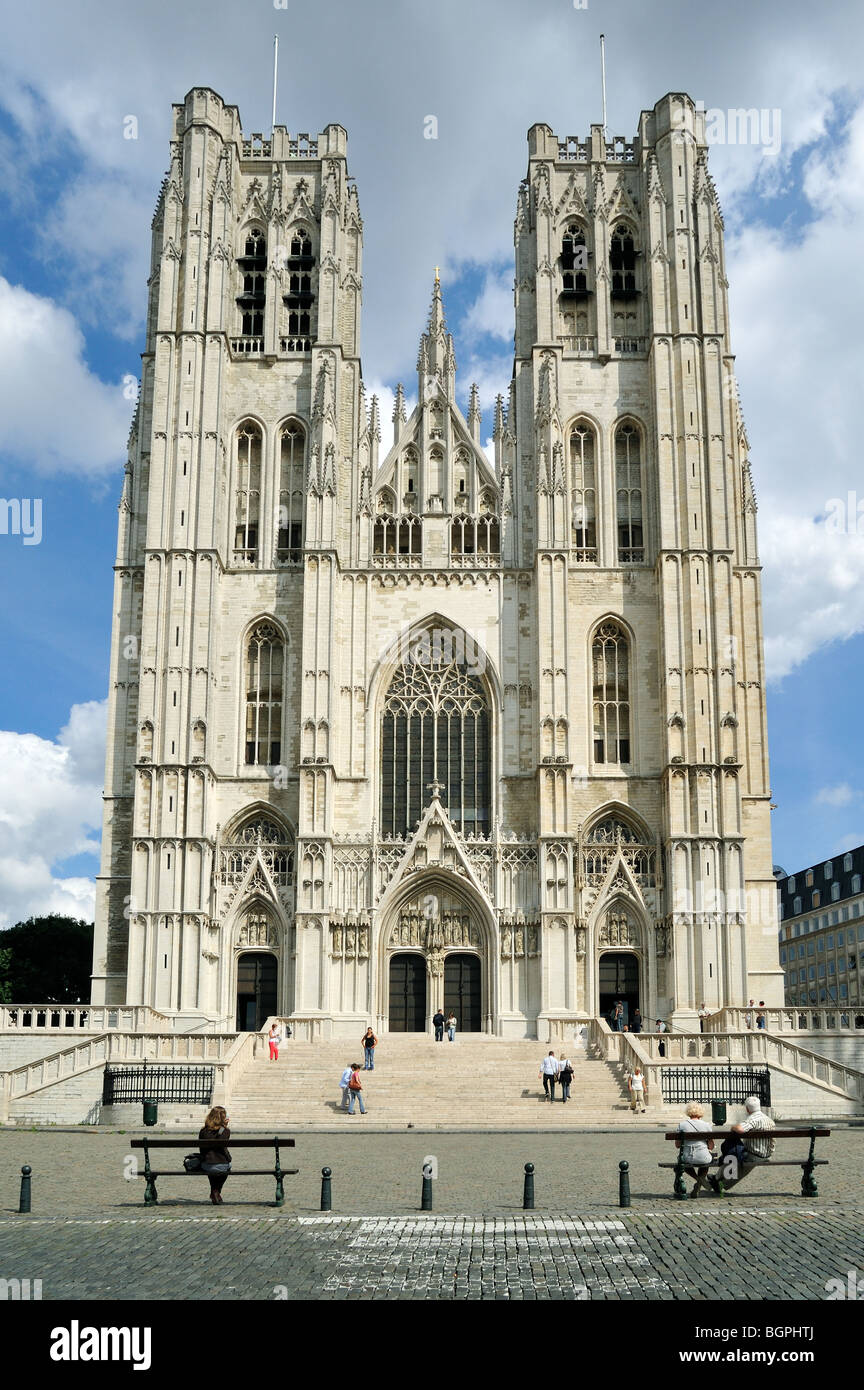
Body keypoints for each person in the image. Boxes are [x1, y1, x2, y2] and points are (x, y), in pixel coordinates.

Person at [710, 1095, 776, 1193]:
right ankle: (718, 1180)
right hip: (766, 1154)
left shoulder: (753, 1119)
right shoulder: (769, 1120)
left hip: (754, 1155)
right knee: (735, 1156)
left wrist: (733, 1127)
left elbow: (740, 1129)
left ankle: (718, 1181)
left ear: (747, 1109)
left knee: (733, 1156)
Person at [675, 1102, 715, 1198]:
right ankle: (700, 1179)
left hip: (687, 1157)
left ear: (688, 1112)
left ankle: (698, 1179)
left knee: (682, 1161)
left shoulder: (682, 1125)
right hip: (703, 1157)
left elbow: (677, 1145)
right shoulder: (706, 1125)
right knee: (705, 1162)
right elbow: (711, 1146)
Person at [198, 1105, 232, 1205]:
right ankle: (216, 1191)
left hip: (206, 1164)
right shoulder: (225, 1131)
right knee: (226, 1167)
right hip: (222, 1164)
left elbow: (202, 1149)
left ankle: (214, 1192)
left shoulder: (203, 1131)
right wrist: (223, 1127)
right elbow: (221, 1144)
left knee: (212, 1170)